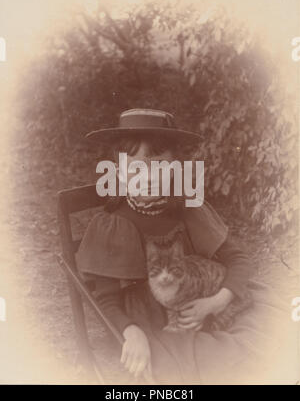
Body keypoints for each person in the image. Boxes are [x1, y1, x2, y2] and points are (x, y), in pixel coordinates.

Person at [76, 109, 288, 384]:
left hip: (210, 303)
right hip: (153, 325)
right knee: (216, 362)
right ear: (118, 168)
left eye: (158, 165)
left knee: (275, 332)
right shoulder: (112, 224)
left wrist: (217, 301)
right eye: (134, 166)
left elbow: (239, 260)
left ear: (175, 166)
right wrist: (131, 331)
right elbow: (105, 300)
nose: (147, 176)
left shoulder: (189, 209)